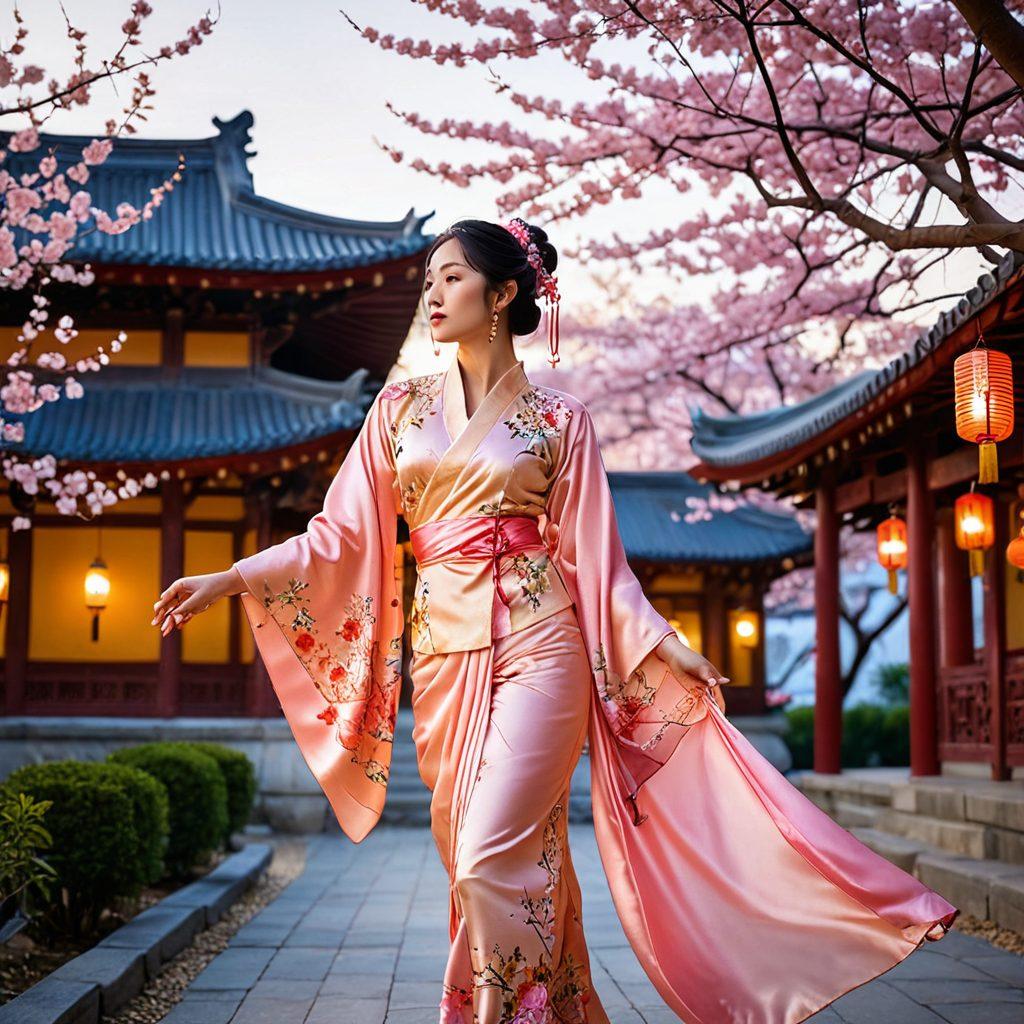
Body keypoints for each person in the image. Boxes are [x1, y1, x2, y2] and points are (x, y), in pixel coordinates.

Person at [152, 218, 958, 1024]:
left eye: (452, 278)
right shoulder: (397, 411)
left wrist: (664, 644)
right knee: (493, 854)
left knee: (486, 856)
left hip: (542, 644)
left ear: (503, 294)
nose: (433, 295)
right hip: (442, 655)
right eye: (429, 280)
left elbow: (597, 561)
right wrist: (232, 577)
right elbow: (340, 533)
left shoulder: (561, 421)